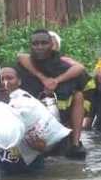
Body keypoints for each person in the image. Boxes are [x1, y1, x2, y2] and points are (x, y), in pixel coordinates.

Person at [15, 30, 89, 158]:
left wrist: (56, 81)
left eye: (44, 43)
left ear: (52, 45)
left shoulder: (63, 65)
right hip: (30, 124)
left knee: (78, 96)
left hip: (60, 120)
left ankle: (75, 143)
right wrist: (43, 78)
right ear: (30, 46)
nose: (39, 47)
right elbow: (21, 57)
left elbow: (80, 69)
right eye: (35, 44)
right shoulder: (22, 66)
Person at [0, 66, 48, 176]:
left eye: (10, 78)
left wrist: (40, 144)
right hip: (3, 164)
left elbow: (45, 141)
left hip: (30, 165)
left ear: (19, 81)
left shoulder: (30, 104)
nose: (5, 82)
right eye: (2, 79)